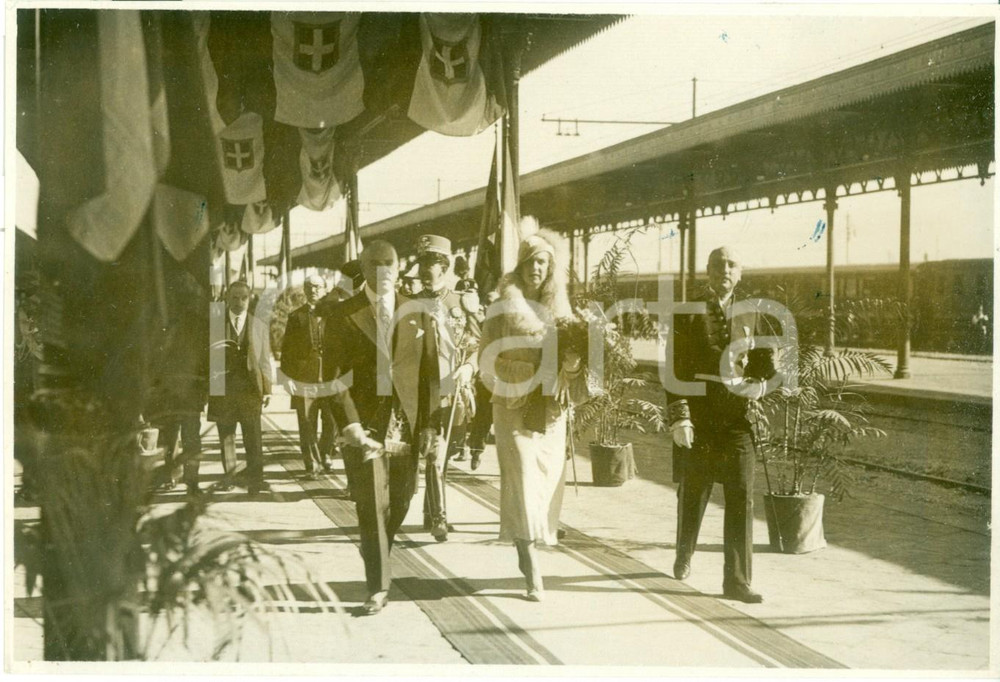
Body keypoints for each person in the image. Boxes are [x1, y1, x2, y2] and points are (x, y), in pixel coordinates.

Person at [323, 240, 440, 615]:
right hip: (365, 424)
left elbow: (430, 372)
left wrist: (430, 425)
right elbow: (333, 377)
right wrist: (350, 423)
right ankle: (378, 586)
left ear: (398, 264)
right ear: (363, 266)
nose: (384, 271)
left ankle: (377, 550)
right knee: (372, 503)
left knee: (402, 499)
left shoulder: (416, 309)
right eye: (375, 264)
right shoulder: (342, 314)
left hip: (406, 422)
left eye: (390, 264)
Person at [479, 226, 587, 601]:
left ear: (551, 268)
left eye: (543, 262)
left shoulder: (564, 312)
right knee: (523, 478)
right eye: (530, 262)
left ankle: (527, 544)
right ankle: (531, 563)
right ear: (521, 265)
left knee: (545, 481)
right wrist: (528, 372)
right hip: (512, 404)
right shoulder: (501, 307)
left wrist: (571, 364)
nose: (536, 268)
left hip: (551, 410)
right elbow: (485, 358)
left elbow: (573, 372)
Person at [665, 246, 775, 604]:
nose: (724, 270)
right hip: (699, 414)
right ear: (707, 271)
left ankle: (737, 581)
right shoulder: (687, 312)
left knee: (741, 493)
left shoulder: (753, 314)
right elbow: (674, 370)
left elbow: (762, 361)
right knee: (695, 491)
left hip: (737, 417)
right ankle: (684, 552)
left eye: (731, 265)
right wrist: (680, 416)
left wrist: (761, 383)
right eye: (717, 265)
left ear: (740, 273)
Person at [415, 234, 481, 542]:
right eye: (423, 263)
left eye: (433, 264)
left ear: (444, 267)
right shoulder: (410, 304)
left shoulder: (460, 302)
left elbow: (480, 341)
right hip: (422, 391)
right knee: (433, 452)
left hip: (455, 389)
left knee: (449, 449)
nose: (426, 269)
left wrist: (469, 366)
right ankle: (439, 518)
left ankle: (430, 511)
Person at [207, 281, 273, 496]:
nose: (238, 302)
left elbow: (265, 359)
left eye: (243, 298)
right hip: (223, 389)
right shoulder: (216, 323)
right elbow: (206, 358)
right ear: (227, 298)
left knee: (253, 437)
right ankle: (230, 478)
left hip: (250, 391)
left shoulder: (258, 325)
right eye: (234, 297)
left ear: (250, 299)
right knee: (226, 437)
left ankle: (255, 481)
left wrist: (268, 388)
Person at [281, 275, 338, 480]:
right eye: (309, 287)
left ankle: (324, 454)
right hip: (305, 377)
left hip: (332, 377)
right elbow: (287, 350)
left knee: (332, 421)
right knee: (307, 422)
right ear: (305, 290)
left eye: (318, 287)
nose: (314, 290)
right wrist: (287, 378)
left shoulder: (335, 315)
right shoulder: (296, 317)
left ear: (325, 290)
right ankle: (312, 465)